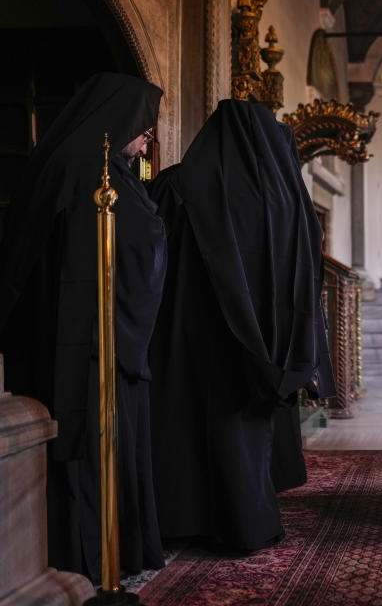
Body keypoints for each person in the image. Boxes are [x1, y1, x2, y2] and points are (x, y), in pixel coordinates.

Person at [148, 99, 335, 550]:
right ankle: (251, 521)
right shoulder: (287, 197)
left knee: (192, 426)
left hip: (190, 332)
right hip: (267, 342)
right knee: (246, 431)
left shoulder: (178, 185)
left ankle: (190, 519)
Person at [0, 72, 166, 578]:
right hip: (94, 344)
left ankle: (113, 553)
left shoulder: (89, 165)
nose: (148, 139)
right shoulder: (93, 173)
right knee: (95, 450)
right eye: (145, 126)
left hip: (101, 338)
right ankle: (97, 560)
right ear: (120, 121)